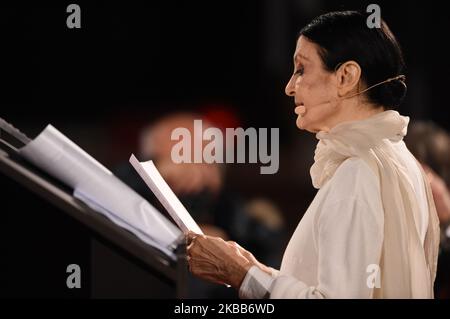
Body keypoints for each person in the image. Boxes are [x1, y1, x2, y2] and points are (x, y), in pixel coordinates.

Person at [186, 11, 440, 299]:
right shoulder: (393, 157)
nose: (290, 86)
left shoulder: (359, 172)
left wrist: (244, 275)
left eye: (301, 69)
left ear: (346, 76)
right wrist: (252, 269)